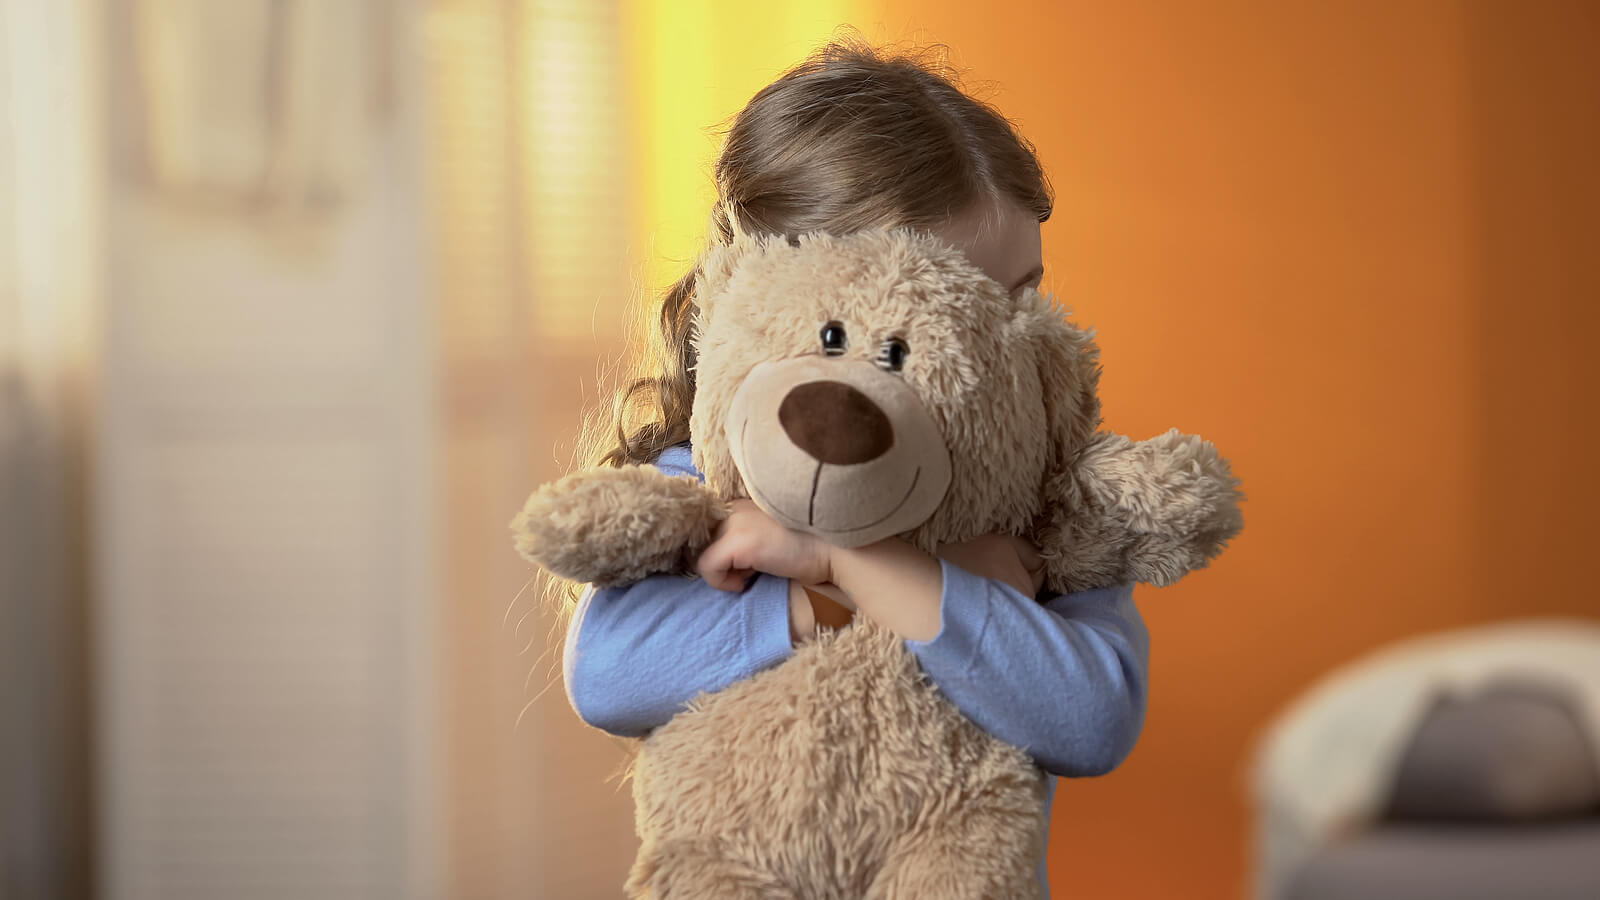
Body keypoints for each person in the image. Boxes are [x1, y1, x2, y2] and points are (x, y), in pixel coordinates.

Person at [558, 35, 1148, 898]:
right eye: (953, 313)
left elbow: (1093, 719)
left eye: (1020, 301)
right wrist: (846, 590)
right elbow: (610, 677)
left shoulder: (1043, 512)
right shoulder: (710, 495)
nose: (991, 358)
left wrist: (855, 560)